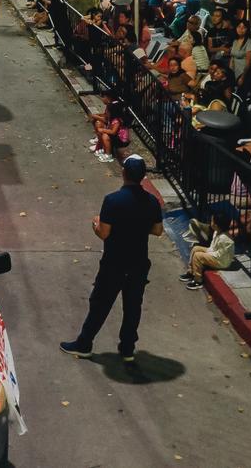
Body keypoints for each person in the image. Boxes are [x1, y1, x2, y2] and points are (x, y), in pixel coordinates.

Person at [60, 155, 163, 363]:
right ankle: (127, 348)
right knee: (133, 306)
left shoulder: (113, 200)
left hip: (114, 263)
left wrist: (95, 223)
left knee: (100, 304)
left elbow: (104, 233)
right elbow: (158, 230)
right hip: (138, 263)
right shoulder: (152, 201)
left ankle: (84, 343)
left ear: (124, 174)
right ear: (143, 176)